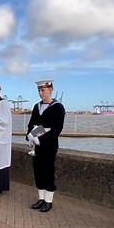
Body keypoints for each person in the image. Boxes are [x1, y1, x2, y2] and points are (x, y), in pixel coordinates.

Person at [27, 79, 65, 212]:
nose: (40, 93)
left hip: (49, 145)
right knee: (38, 171)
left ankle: (48, 200)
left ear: (50, 90)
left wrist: (40, 138)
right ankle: (41, 198)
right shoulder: (37, 106)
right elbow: (31, 124)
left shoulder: (58, 107)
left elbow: (56, 129)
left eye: (43, 90)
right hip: (36, 144)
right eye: (39, 90)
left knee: (48, 171)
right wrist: (30, 136)